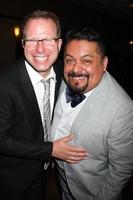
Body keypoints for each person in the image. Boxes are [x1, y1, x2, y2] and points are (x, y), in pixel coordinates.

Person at [0, 10, 87, 200]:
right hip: (12, 179)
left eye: (48, 39)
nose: (40, 49)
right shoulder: (5, 84)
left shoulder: (63, 72)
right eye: (32, 40)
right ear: (22, 44)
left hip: (43, 173)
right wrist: (51, 150)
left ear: (59, 43)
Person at [51, 27, 133, 200]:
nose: (76, 69)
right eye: (69, 60)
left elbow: (121, 169)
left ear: (104, 64)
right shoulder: (64, 80)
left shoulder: (123, 108)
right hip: (62, 183)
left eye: (86, 61)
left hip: (91, 193)